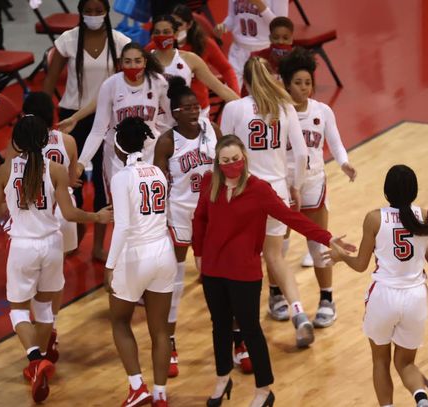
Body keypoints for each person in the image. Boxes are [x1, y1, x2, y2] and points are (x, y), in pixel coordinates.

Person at [192, 135, 354, 407]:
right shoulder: (210, 183)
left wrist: (327, 238)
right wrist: (198, 254)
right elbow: (199, 219)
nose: (232, 165)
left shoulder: (259, 189)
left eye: (236, 159)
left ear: (244, 158)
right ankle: (222, 378)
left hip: (245, 272)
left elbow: (293, 218)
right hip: (213, 269)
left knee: (250, 329)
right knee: (219, 327)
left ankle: (264, 389)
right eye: (226, 161)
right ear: (218, 163)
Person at [0, 115, 112, 403]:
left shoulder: (6, 169)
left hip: (23, 245)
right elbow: (69, 214)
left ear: (16, 142)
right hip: (52, 245)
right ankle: (40, 362)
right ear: (44, 141)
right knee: (45, 309)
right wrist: (96, 216)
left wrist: (12, 213)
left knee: (18, 309)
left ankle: (34, 360)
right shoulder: (55, 169)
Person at [327, 164, 428, 407]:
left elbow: (361, 265)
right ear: (414, 190)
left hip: (383, 296)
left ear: (386, 191)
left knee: (380, 361)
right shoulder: (426, 218)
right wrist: (420, 250)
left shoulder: (374, 219)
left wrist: (340, 257)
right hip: (415, 298)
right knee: (406, 363)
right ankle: (422, 400)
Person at [220, 57, 313, 348]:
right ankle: (299, 313)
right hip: (276, 193)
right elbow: (300, 155)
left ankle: (245, 330)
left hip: (245, 193)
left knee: (244, 263)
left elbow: (222, 154)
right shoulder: (285, 107)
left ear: (243, 80)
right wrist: (295, 187)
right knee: (276, 258)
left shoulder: (234, 108)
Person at [43, 0, 131, 261]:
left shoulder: (121, 42)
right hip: (73, 118)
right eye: (88, 11)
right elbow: (48, 82)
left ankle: (98, 247)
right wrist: (41, 119)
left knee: (105, 185)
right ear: (80, 13)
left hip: (107, 118)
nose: (94, 16)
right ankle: (75, 237)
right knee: (73, 183)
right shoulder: (67, 41)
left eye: (98, 11)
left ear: (106, 12)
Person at [278, 48, 357, 328]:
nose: (304, 88)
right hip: (282, 185)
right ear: (286, 84)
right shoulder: (277, 112)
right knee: (279, 245)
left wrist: (344, 163)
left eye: (308, 82)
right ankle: (276, 294)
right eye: (298, 83)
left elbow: (334, 142)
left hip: (312, 182)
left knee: (318, 241)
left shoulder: (322, 111)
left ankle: (327, 299)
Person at [154, 76, 224, 377]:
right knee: (177, 283)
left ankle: (234, 340)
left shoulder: (213, 130)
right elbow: (158, 181)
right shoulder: (168, 141)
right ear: (175, 112)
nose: (195, 111)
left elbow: (227, 166)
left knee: (222, 280)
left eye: (197, 105)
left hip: (212, 214)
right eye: (187, 107)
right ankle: (169, 341)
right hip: (181, 216)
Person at [104, 117, 176, 407]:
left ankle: (137, 387)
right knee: (160, 330)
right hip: (163, 252)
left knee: (120, 321)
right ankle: (160, 394)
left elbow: (121, 227)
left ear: (119, 149)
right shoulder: (157, 172)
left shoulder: (122, 177)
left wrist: (109, 266)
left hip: (135, 256)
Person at [73, 42, 173, 201]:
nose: (133, 65)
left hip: (149, 151)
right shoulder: (110, 85)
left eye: (137, 61)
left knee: (150, 202)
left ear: (145, 62)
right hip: (117, 154)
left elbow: (171, 119)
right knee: (120, 204)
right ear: (120, 63)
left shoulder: (158, 82)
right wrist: (81, 163)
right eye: (127, 61)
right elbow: (98, 130)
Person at [22, 92, 80, 362]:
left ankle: (41, 328)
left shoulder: (21, 143)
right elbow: (71, 180)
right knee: (55, 277)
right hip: (64, 214)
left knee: (34, 278)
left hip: (37, 215)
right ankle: (51, 325)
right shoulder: (67, 140)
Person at [146, 14, 239, 112]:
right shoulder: (144, 60)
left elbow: (221, 89)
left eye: (166, 32)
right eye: (157, 32)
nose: (161, 36)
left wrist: (246, 108)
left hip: (185, 119)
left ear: (176, 34)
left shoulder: (191, 59)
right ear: (152, 35)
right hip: (156, 120)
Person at [171, 4, 240, 116]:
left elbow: (226, 69)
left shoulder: (205, 44)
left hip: (199, 108)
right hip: (170, 110)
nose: (174, 28)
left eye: (178, 24)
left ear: (189, 24)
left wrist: (235, 95)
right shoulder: (159, 45)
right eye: (171, 23)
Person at [214, 0, 288, 88]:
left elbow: (282, 26)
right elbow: (232, 17)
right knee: (232, 92)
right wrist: (224, 26)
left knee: (263, 94)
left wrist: (259, 5)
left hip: (264, 50)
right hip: (238, 50)